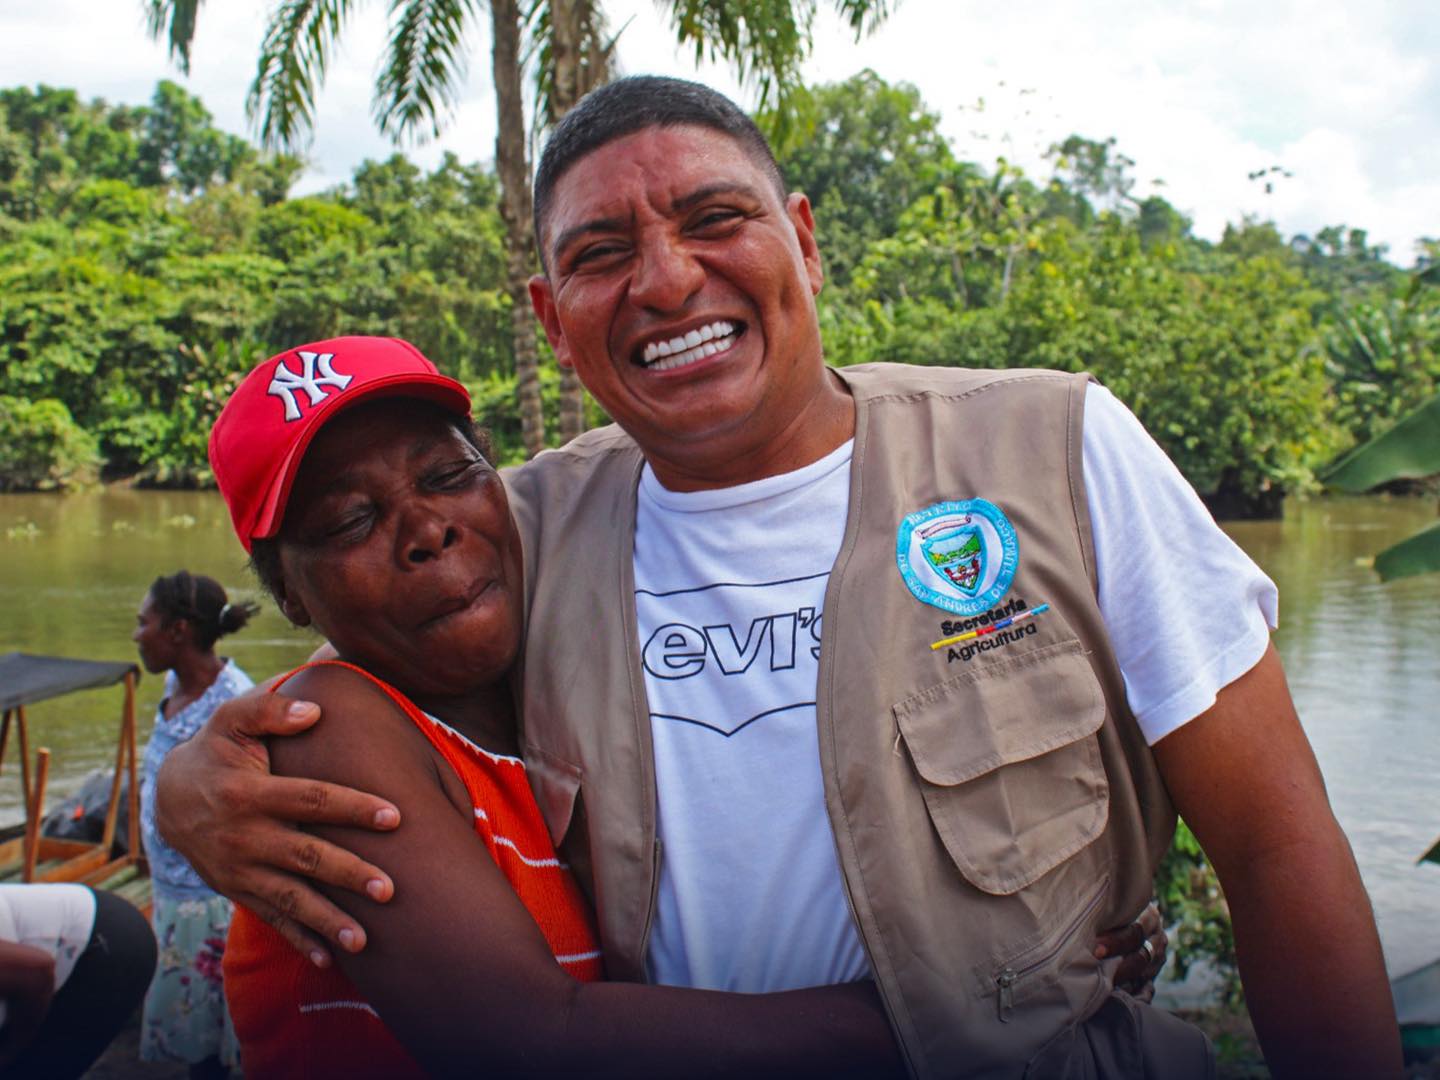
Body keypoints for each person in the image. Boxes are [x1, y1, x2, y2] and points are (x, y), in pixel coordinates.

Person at [158, 77, 1402, 1077]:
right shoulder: (525, 525)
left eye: (713, 219)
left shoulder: (1050, 450)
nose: (665, 279)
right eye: (602, 252)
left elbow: (1276, 845)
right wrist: (196, 778)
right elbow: (365, 644)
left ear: (802, 238)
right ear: (551, 315)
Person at [208, 334, 905, 1077]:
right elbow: (528, 1041)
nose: (426, 530)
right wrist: (947, 1018)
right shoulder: (327, 727)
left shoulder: (542, 708)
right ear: (285, 589)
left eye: (447, 474)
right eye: (351, 520)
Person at [133, 571, 257, 1077]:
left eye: (145, 622)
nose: (137, 633)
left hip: (212, 904)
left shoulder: (234, 705)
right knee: (193, 1037)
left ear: (178, 630)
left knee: (216, 1047)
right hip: (172, 895)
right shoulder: (174, 684)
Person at [0, 883, 157, 1079]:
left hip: (107, 946)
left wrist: (11, 1050)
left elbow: (38, 972)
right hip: (73, 946)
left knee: (31, 1069)